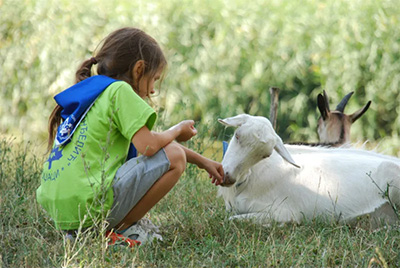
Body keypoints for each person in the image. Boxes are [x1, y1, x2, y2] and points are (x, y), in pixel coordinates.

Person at [36, 27, 224, 247]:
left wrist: (203, 162)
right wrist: (176, 130)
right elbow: (150, 147)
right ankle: (120, 229)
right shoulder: (120, 91)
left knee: (171, 151)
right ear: (138, 69)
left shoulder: (95, 92)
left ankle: (79, 233)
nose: (153, 90)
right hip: (91, 208)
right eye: (154, 78)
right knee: (175, 157)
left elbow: (151, 139)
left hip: (62, 211)